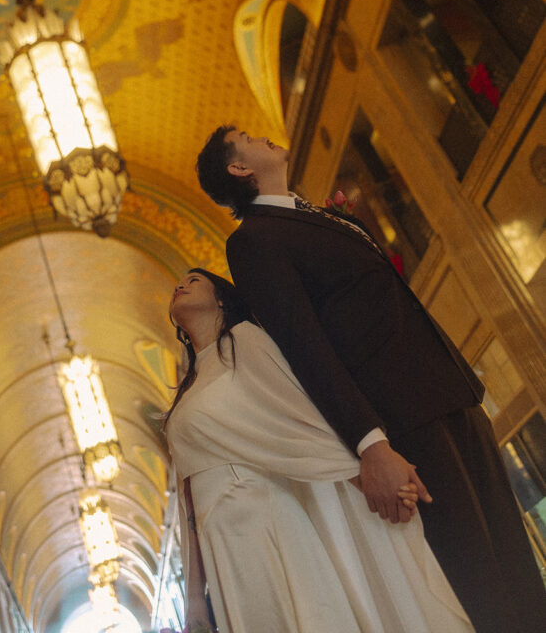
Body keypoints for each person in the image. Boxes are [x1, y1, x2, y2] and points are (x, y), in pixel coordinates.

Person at [195, 126, 546, 633]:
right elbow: (303, 346)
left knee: (514, 557)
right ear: (238, 169)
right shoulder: (252, 241)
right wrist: (370, 443)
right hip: (401, 418)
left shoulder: (309, 215)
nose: (265, 135)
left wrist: (341, 227)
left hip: (449, 391)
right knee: (476, 573)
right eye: (247, 137)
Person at [165, 267, 476, 633]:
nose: (180, 284)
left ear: (221, 298)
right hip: (218, 535)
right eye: (180, 282)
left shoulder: (244, 340)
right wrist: (195, 602)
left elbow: (302, 418)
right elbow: (187, 499)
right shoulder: (187, 389)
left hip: (265, 518)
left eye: (194, 280)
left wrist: (370, 472)